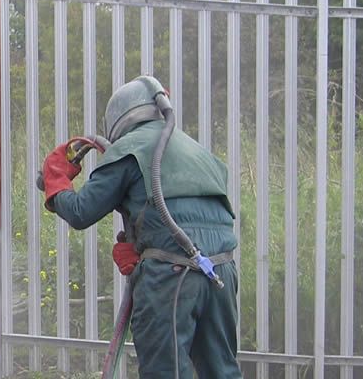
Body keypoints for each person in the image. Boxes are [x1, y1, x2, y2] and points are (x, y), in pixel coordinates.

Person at [39, 76, 243, 378]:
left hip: (173, 277)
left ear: (118, 121)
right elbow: (191, 217)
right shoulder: (198, 152)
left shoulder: (128, 150)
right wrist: (145, 246)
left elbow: (82, 212)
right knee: (222, 371)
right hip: (220, 273)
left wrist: (55, 183)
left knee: (166, 372)